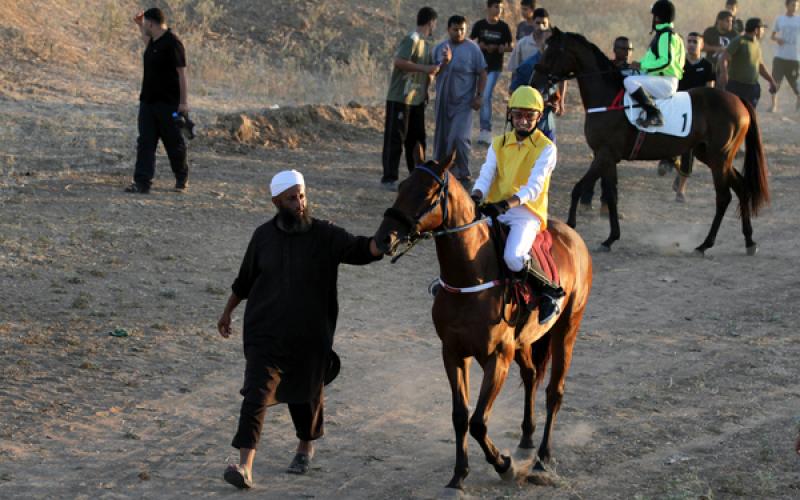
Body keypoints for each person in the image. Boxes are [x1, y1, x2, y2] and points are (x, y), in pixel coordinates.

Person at [218, 170, 383, 488]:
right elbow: (245, 279)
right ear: (276, 202)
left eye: (302, 195)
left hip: (310, 335)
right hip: (264, 332)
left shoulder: (325, 234)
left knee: (305, 394)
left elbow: (362, 250)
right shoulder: (263, 236)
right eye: (292, 198)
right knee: (255, 393)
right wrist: (227, 311)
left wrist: (383, 242)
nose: (299, 202)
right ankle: (244, 467)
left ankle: (306, 444)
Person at [471, 86, 564, 325]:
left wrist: (506, 204)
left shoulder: (547, 148)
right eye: (518, 115)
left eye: (529, 116)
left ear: (539, 117)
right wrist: (476, 195)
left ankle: (549, 292)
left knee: (513, 257)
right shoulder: (498, 143)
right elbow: (486, 174)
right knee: (464, 239)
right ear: (509, 115)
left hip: (526, 213)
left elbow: (534, 188)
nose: (523, 121)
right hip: (495, 208)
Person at [126, 8, 189, 194]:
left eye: (145, 23)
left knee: (173, 143)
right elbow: (148, 45)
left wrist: (184, 103)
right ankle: (142, 182)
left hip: (168, 103)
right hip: (148, 102)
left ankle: (181, 176)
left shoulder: (173, 43)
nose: (143, 26)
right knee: (145, 142)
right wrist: (139, 26)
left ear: (151, 24)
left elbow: (182, 74)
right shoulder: (153, 41)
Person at [380, 7, 444, 191]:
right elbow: (399, 61)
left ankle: (416, 175)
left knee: (416, 140)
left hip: (416, 100)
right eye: (434, 23)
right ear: (431, 22)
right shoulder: (412, 39)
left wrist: (426, 87)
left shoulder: (426, 44)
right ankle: (389, 178)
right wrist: (425, 70)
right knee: (395, 138)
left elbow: (429, 71)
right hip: (400, 98)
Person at [580, 36, 635, 211]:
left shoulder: (633, 70)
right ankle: (596, 203)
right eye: (623, 49)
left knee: (604, 164)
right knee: (602, 164)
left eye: (629, 50)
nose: (626, 53)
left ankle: (599, 203)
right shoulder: (605, 69)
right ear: (614, 50)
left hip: (622, 122)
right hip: (604, 122)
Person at [432, 16, 488, 184]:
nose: (459, 33)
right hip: (443, 102)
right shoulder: (439, 48)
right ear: (448, 29)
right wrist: (444, 62)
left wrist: (479, 96)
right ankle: (442, 174)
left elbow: (483, 73)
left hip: (463, 103)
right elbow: (432, 72)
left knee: (459, 138)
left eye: (462, 29)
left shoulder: (473, 49)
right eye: (455, 29)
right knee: (442, 140)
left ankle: (463, 174)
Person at [669, 32, 716, 202]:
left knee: (688, 151)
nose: (691, 44)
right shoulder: (678, 63)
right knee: (670, 147)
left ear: (702, 46)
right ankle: (676, 167)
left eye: (695, 42)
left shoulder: (708, 66)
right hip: (675, 109)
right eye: (688, 41)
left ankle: (681, 190)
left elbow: (710, 91)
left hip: (695, 114)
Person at [624, 0, 685, 128]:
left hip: (665, 82)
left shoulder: (666, 35)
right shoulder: (670, 35)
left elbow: (666, 61)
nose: (653, 19)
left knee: (630, 82)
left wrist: (642, 66)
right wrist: (639, 64)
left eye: (655, 16)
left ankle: (654, 114)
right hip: (662, 79)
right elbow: (653, 61)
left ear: (659, 17)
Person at [470, 0, 513, 145]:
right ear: (488, 8)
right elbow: (469, 42)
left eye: (501, 8)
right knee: (477, 95)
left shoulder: (504, 27)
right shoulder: (480, 25)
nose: (499, 10)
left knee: (486, 96)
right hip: (479, 67)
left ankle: (486, 131)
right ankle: (473, 128)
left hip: (495, 67)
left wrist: (502, 48)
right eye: (496, 7)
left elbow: (510, 47)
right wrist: (479, 45)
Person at [719, 18, 779, 108]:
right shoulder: (739, 41)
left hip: (752, 88)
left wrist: (771, 80)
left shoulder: (757, 44)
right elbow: (723, 58)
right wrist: (724, 73)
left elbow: (760, 66)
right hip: (736, 86)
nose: (763, 32)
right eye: (762, 29)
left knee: (749, 113)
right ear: (756, 30)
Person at [770, 0, 800, 112]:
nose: (795, 7)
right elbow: (772, 36)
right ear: (787, 5)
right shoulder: (780, 19)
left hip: (794, 56)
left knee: (795, 82)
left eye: (797, 5)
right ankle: (774, 105)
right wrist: (778, 39)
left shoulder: (799, 19)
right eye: (793, 5)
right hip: (780, 56)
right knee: (775, 81)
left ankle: (798, 101)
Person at [508, 7, 550, 74]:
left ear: (548, 25)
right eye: (538, 23)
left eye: (544, 23)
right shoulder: (522, 44)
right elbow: (514, 69)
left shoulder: (553, 45)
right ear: (533, 23)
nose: (541, 26)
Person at [703, 11, 736, 78]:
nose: (730, 24)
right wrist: (716, 48)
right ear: (719, 21)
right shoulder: (710, 31)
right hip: (711, 69)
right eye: (727, 21)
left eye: (731, 21)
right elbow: (702, 47)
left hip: (728, 72)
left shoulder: (734, 34)